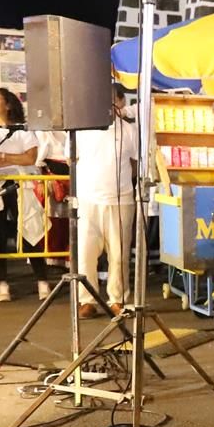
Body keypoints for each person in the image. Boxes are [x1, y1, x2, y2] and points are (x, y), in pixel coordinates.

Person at [73, 83, 144, 317]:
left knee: (119, 254)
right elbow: (71, 160)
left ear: (121, 102)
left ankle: (118, 299)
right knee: (85, 253)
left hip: (121, 199)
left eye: (112, 100)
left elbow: (135, 164)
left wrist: (119, 185)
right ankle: (88, 300)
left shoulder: (130, 131)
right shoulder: (80, 129)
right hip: (87, 199)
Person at [0, 88, 51, 302]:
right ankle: (2, 282)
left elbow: (30, 158)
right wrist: (13, 158)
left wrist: (3, 157)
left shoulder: (23, 130)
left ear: (8, 104)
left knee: (29, 228)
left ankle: (42, 280)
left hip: (22, 185)